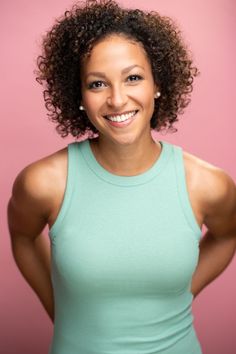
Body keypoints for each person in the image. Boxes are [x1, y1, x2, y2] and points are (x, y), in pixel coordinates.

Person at [7, 1, 236, 353]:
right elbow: (22, 237)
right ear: (78, 95)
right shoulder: (43, 183)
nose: (117, 99)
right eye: (98, 84)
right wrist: (61, 307)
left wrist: (184, 289)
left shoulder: (207, 184)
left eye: (133, 78)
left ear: (157, 83)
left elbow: (227, 235)